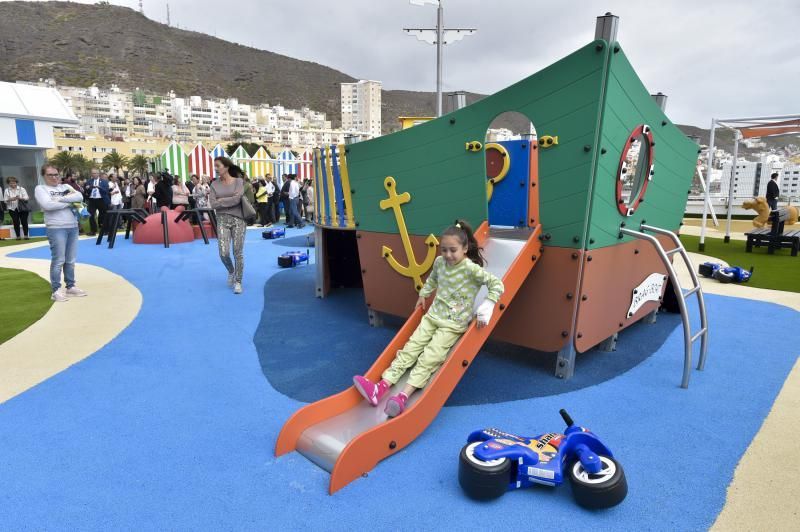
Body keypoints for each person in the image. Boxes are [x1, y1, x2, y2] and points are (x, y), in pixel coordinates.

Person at [353, 220, 504, 417]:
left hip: (452, 324)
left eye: (453, 250)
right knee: (409, 349)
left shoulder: (470, 269)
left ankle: (403, 397)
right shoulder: (440, 263)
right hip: (433, 316)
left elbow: (497, 285)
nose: (448, 255)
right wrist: (423, 294)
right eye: (444, 250)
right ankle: (381, 387)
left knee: (430, 357)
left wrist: (489, 303)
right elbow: (432, 279)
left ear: (465, 248)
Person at [34, 165, 87, 302]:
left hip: (73, 226)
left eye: (56, 174)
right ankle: (56, 290)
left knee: (70, 260)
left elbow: (80, 196)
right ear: (44, 176)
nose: (54, 177)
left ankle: (70, 286)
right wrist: (70, 202)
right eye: (50, 175)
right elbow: (47, 205)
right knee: (58, 260)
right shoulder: (41, 189)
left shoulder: (64, 187)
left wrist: (59, 200)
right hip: (56, 227)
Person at [209, 157, 246, 294]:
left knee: (238, 252)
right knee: (223, 252)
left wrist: (221, 200)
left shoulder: (238, 181)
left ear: (226, 167)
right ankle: (231, 270)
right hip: (222, 220)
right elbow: (212, 204)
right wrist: (229, 200)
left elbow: (237, 199)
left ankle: (238, 281)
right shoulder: (214, 184)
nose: (216, 168)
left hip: (239, 220)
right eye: (215, 166)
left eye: (218, 166)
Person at [83, 168, 109, 236]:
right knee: (91, 215)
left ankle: (105, 230)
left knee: (103, 216)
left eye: (95, 173)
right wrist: (87, 188)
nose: (94, 174)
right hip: (92, 200)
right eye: (93, 173)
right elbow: (86, 191)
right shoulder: (89, 181)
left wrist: (99, 187)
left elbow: (106, 191)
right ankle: (93, 231)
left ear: (98, 174)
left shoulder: (104, 182)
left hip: (101, 200)